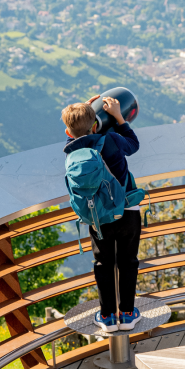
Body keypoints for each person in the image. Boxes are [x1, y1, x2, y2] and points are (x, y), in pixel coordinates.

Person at [62, 95, 142, 333]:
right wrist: (118, 117)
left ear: (68, 131)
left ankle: (107, 317)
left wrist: (83, 112)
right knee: (128, 262)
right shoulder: (112, 139)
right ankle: (127, 315)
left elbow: (74, 134)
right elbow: (134, 144)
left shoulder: (70, 152)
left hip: (97, 218)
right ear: (96, 124)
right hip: (127, 211)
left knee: (103, 263)